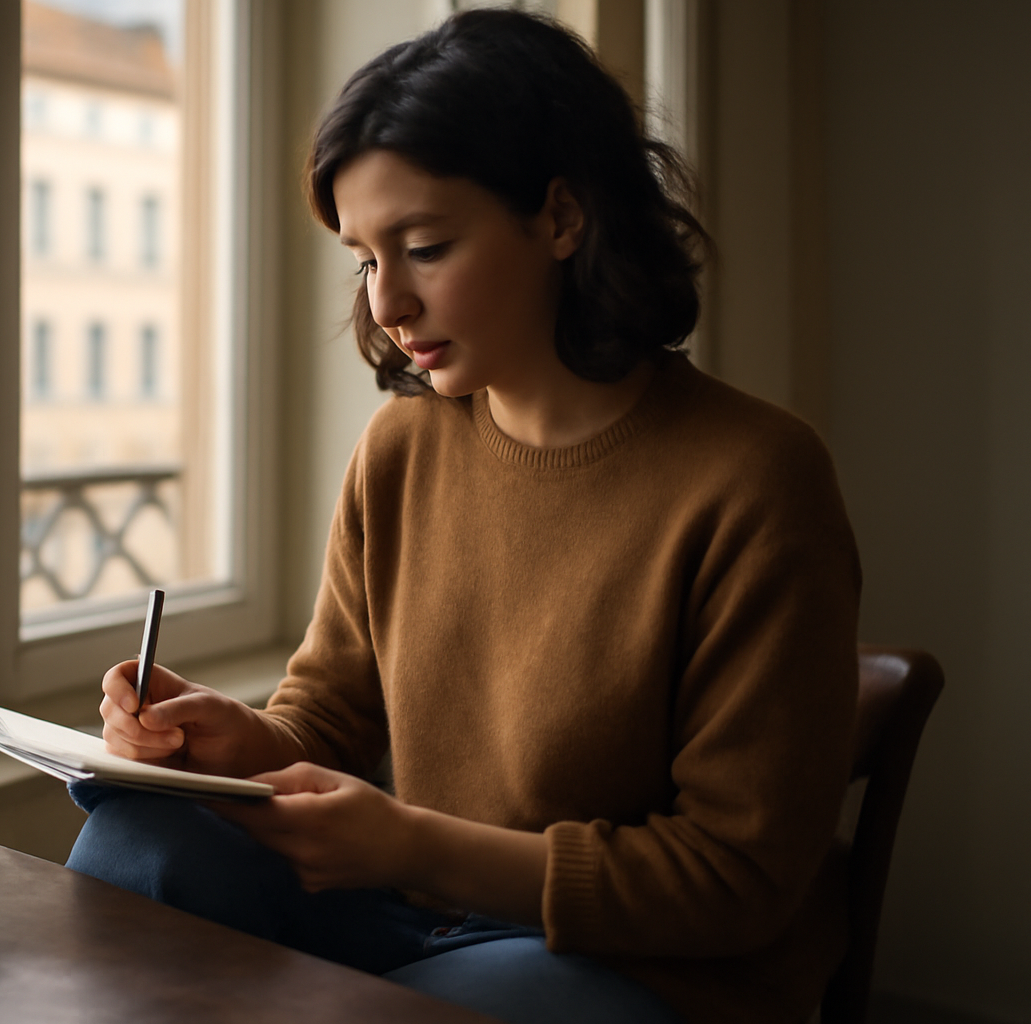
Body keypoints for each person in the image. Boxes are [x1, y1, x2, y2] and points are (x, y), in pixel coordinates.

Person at [66, 9, 859, 1024]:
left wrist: (412, 843)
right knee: (135, 840)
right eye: (363, 259)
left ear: (562, 219)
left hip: (631, 964)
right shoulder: (399, 452)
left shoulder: (756, 479)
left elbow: (733, 879)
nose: (388, 302)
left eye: (426, 246)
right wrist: (235, 741)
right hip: (411, 913)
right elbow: (331, 719)